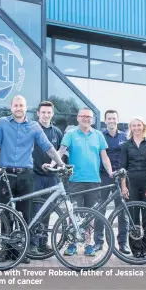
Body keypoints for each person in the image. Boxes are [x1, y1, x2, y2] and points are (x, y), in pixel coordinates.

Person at [0, 95, 65, 263]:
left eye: (21, 105)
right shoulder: (2, 122)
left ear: (26, 108)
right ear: (11, 107)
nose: (18, 108)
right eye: (16, 105)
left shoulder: (34, 126)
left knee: (26, 214)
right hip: (6, 174)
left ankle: (21, 251)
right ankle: (7, 250)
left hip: (26, 175)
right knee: (5, 213)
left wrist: (61, 164)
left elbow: (48, 147)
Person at [45, 107, 113, 257]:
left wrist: (110, 172)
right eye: (83, 116)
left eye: (89, 117)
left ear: (93, 119)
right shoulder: (70, 134)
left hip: (94, 180)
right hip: (75, 180)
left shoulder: (99, 135)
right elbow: (61, 151)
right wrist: (52, 164)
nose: (86, 119)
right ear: (78, 118)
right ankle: (72, 244)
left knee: (90, 215)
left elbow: (104, 157)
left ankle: (88, 244)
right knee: (73, 213)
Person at [93, 110, 130, 254]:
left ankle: (122, 244)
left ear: (118, 119)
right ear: (105, 120)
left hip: (121, 177)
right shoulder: (99, 135)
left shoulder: (125, 136)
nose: (111, 121)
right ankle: (98, 242)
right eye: (109, 118)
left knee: (122, 211)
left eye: (114, 118)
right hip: (104, 176)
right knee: (100, 209)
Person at [120, 117, 146, 258]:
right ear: (130, 127)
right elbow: (123, 167)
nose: (136, 128)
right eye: (133, 125)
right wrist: (124, 187)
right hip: (131, 182)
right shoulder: (125, 145)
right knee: (133, 216)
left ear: (143, 127)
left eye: (139, 125)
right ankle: (136, 250)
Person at [31, 101, 63, 254]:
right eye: (43, 112)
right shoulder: (31, 128)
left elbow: (60, 152)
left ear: (53, 114)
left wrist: (55, 165)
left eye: (49, 112)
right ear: (38, 113)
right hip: (35, 176)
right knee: (35, 210)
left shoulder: (56, 132)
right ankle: (33, 244)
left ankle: (43, 243)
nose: (46, 115)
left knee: (49, 210)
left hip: (52, 177)